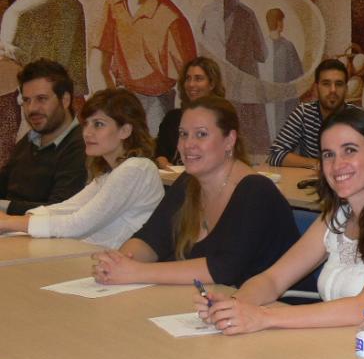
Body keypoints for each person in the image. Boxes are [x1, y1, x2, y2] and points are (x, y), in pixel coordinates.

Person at [197, 108, 364, 340]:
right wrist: (235, 306)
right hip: (335, 350)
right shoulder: (336, 217)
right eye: (328, 154)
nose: (336, 164)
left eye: (349, 150)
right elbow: (272, 279)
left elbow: (363, 308)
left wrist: (263, 316)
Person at [92, 97, 299, 288]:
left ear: (229, 140)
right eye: (183, 134)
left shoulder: (255, 192)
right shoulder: (187, 183)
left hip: (273, 311)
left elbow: (223, 270)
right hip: (210, 304)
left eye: (201, 134)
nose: (188, 144)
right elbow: (151, 239)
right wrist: (119, 263)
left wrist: (136, 272)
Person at [0, 89, 162, 248]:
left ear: (125, 130)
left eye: (98, 124)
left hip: (115, 265)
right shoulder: (110, 173)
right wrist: (14, 220)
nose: (87, 133)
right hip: (93, 256)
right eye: (86, 124)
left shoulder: (136, 169)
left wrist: (10, 222)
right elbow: (67, 208)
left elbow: (78, 224)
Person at [96, 0, 197, 133]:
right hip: (120, 101)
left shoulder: (170, 19)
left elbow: (187, 85)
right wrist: (110, 108)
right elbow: (98, 63)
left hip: (157, 107)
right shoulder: (113, 3)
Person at [198, 0, 269, 151]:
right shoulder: (246, 14)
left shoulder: (205, 14)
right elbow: (262, 54)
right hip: (243, 94)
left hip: (217, 93)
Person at [0, 59, 86, 215]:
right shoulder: (30, 140)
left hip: (41, 236)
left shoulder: (82, 145)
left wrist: (4, 206)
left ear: (65, 100)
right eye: (26, 100)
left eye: (42, 99)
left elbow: (59, 209)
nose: (32, 108)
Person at [267, 58, 354, 168]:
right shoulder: (304, 113)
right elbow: (275, 154)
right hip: (313, 181)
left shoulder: (359, 117)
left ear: (346, 89)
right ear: (316, 88)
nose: (333, 90)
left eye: (339, 84)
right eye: (326, 84)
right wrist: (319, 164)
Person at [155, 56, 225, 167]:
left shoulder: (223, 118)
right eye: (188, 78)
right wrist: (169, 169)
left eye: (198, 79)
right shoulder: (173, 118)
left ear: (212, 84)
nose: (191, 84)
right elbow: (160, 154)